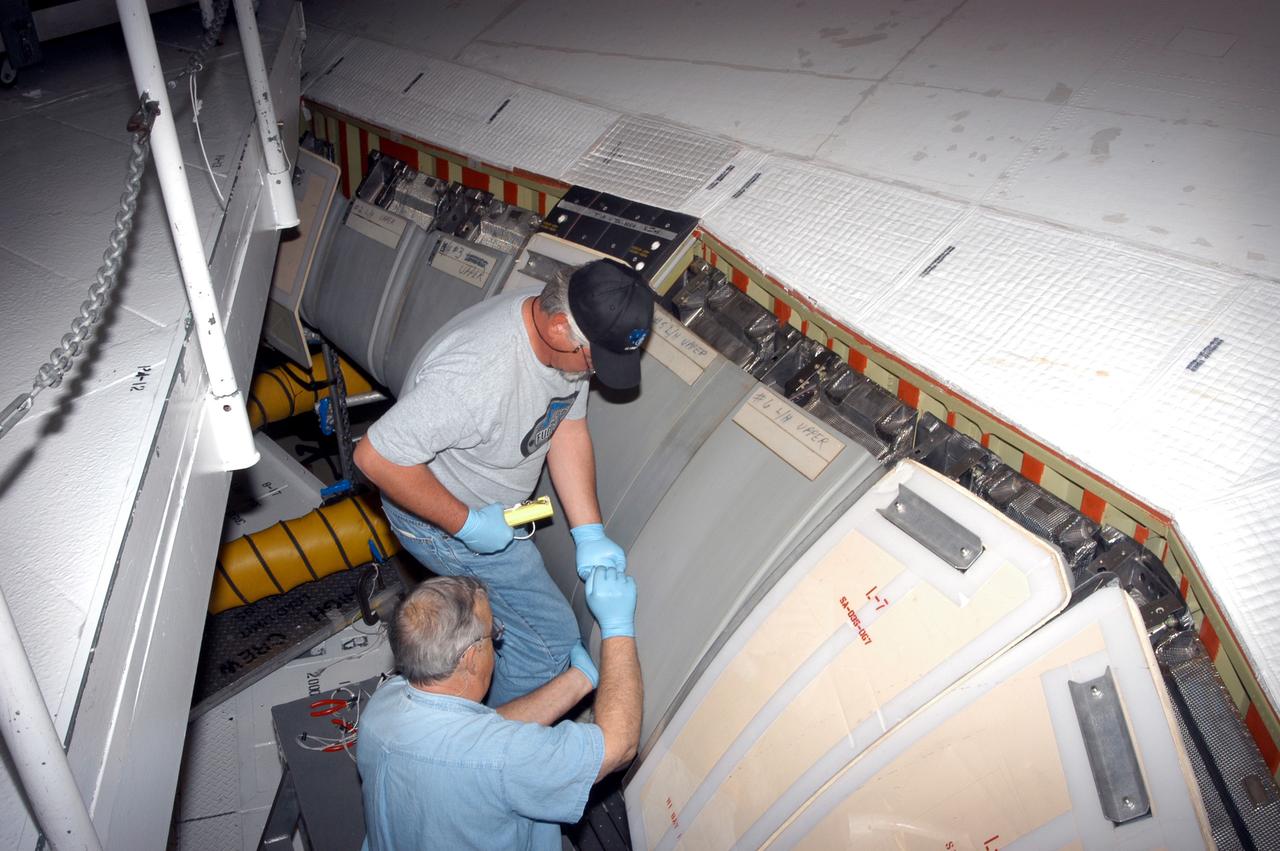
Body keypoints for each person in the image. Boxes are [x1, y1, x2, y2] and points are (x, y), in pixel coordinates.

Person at [354, 259, 654, 705]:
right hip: (441, 521)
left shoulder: (562, 327)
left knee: (528, 621)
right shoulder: (476, 376)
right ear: (558, 329)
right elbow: (374, 457)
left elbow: (565, 426)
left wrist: (589, 531)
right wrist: (467, 525)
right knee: (548, 642)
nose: (594, 373)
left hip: (487, 507)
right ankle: (487, 742)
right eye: (595, 360)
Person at [358, 569, 642, 851]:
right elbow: (619, 747)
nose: (496, 639)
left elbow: (480, 734)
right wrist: (617, 628)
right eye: (493, 632)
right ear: (470, 658)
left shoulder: (384, 703)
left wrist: (578, 681)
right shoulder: (501, 760)